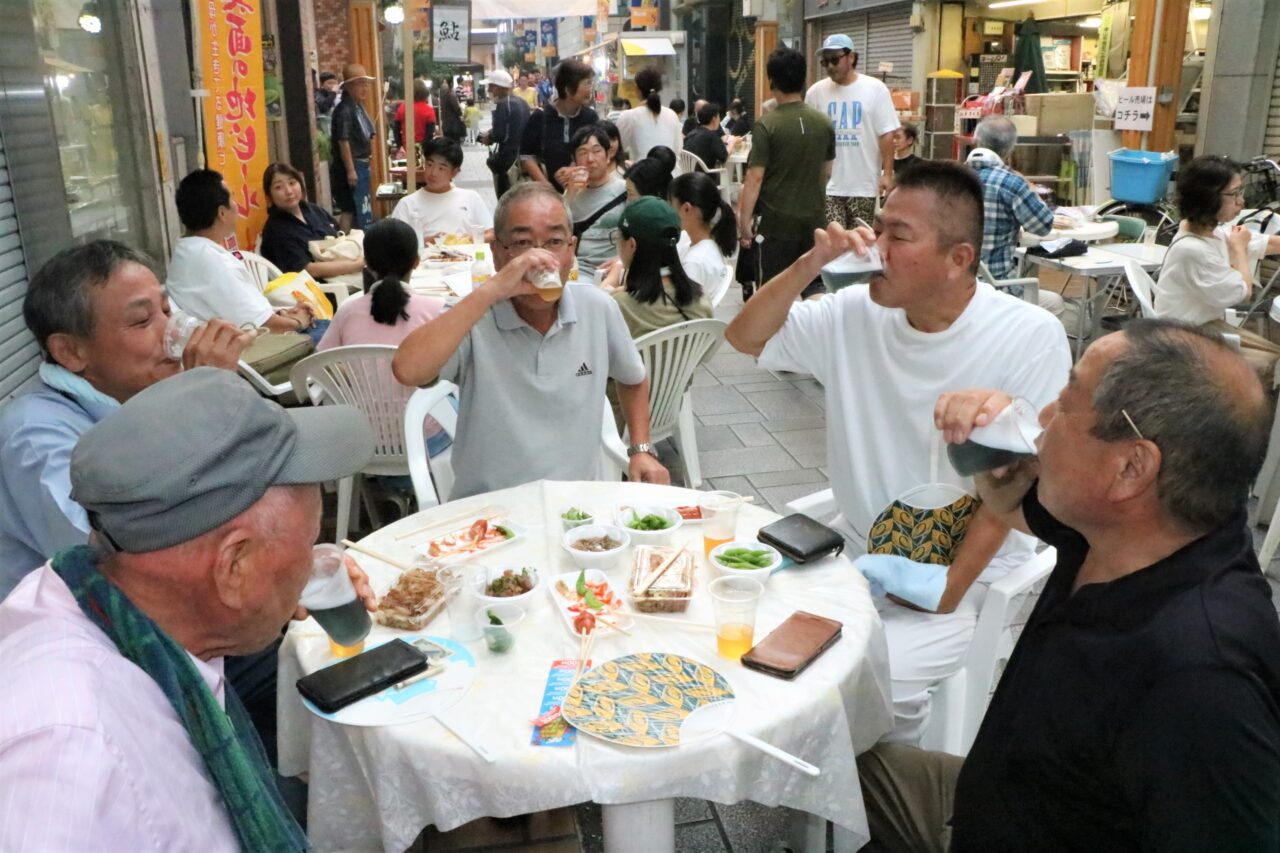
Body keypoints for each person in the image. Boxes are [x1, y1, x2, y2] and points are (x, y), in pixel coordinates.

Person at [859, 319, 1280, 852]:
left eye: (1066, 399)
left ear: (1131, 467)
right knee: (829, 761)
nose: (1043, 415)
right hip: (990, 800)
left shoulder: (1200, 675)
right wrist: (991, 439)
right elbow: (1009, 501)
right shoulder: (1140, 531)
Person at [725, 162, 1071, 743]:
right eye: (877, 227)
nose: (875, 246)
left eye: (898, 235)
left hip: (969, 579)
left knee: (881, 686)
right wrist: (810, 263)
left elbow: (1015, 490)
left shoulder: (1027, 334)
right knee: (754, 649)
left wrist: (947, 593)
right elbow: (744, 338)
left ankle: (887, 803)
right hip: (858, 557)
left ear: (958, 259)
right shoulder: (853, 312)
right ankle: (836, 804)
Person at [0, 366, 375, 850]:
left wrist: (279, 588)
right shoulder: (71, 757)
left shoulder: (106, 590)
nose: (314, 561)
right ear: (232, 569)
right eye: (309, 543)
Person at [0, 241, 253, 596]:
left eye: (167, 310)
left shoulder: (140, 400)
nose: (171, 332)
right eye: (142, 320)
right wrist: (197, 406)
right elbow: (116, 561)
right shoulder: (32, 434)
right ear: (71, 352)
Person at [391, 182, 670, 498]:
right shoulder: (472, 317)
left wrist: (641, 448)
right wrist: (493, 289)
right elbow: (407, 370)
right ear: (497, 252)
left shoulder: (597, 308)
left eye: (554, 241)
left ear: (571, 249)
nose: (539, 258)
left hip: (576, 508)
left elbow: (633, 378)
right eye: (523, 243)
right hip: (490, 512)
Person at [318, 219, 452, 458]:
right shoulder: (437, 311)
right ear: (417, 262)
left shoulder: (347, 311)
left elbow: (322, 364)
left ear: (367, 264)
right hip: (428, 441)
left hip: (367, 443)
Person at [1154, 154, 1280, 381]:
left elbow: (1264, 243)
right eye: (1234, 194)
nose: (1242, 202)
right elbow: (1243, 291)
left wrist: (1240, 246)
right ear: (1208, 198)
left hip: (1203, 325)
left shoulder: (1208, 229)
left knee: (1274, 357)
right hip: (1183, 338)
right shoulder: (1193, 250)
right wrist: (1239, 249)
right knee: (1271, 366)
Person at [166, 169, 316, 336]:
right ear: (222, 213)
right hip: (259, 349)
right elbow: (268, 327)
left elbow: (247, 313)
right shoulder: (217, 265)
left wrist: (283, 312)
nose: (236, 206)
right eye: (232, 198)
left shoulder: (186, 252)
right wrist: (299, 320)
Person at [738, 47, 836, 301]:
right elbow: (828, 170)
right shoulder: (824, 122)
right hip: (814, 220)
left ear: (772, 81)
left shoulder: (766, 125)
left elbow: (754, 178)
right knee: (814, 285)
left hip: (776, 225)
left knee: (775, 292)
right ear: (803, 80)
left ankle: (779, 341)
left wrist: (744, 221)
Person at [805, 34, 900, 230]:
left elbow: (886, 134)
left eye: (835, 59)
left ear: (851, 57)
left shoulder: (876, 89)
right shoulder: (815, 93)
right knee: (833, 243)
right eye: (825, 62)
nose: (830, 66)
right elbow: (809, 136)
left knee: (860, 245)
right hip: (828, 186)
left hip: (863, 184)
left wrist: (887, 174)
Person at [600, 196, 712, 336]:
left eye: (618, 236)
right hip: (692, 358)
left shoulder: (620, 305)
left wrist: (608, 286)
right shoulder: (701, 298)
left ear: (632, 245)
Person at [966, 116, 1053, 282]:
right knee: (1055, 303)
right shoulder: (1012, 183)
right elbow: (1043, 226)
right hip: (998, 287)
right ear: (1011, 148)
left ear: (976, 141)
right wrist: (1030, 188)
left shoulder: (951, 178)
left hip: (955, 286)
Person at [259, 162, 365, 282]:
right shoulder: (276, 230)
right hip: (318, 289)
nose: (288, 191)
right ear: (269, 196)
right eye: (278, 187)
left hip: (346, 273)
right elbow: (310, 270)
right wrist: (357, 265)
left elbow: (340, 238)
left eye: (292, 183)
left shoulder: (313, 210)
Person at [390, 137, 495, 247]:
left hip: (466, 261)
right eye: (430, 165)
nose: (433, 173)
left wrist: (465, 240)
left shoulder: (471, 198)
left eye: (441, 168)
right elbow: (395, 243)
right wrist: (425, 242)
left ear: (454, 172)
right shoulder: (407, 204)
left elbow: (491, 234)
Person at [520, 59, 599, 192]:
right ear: (568, 90)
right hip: (546, 193)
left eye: (591, 83)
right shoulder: (541, 116)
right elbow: (526, 156)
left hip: (583, 190)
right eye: (586, 84)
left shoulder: (591, 117)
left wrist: (575, 171)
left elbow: (598, 152)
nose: (590, 89)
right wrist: (546, 187)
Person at [564, 125, 628, 281]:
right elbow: (553, 228)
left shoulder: (625, 190)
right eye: (583, 152)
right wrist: (569, 193)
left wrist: (621, 262)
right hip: (577, 269)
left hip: (613, 270)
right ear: (575, 160)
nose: (590, 159)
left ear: (608, 156)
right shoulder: (571, 194)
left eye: (597, 151)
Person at [669, 171, 737, 297]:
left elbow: (684, 309)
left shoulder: (694, 262)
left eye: (671, 206)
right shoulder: (709, 244)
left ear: (686, 209)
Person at [330, 62, 377, 231]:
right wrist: (350, 169)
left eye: (365, 83)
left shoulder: (357, 107)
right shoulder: (344, 110)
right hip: (349, 167)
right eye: (359, 83)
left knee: (361, 209)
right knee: (349, 209)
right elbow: (343, 141)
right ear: (348, 86)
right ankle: (346, 242)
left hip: (361, 164)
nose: (364, 88)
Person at [478, 69, 530, 200]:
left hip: (507, 160)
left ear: (497, 88)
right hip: (522, 158)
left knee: (505, 199)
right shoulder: (522, 102)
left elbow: (500, 134)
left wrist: (488, 138)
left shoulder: (502, 104)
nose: (489, 90)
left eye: (490, 87)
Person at [616, 68, 683, 163]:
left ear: (636, 89)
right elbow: (678, 149)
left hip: (642, 175)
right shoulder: (672, 115)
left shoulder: (628, 116)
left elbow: (616, 149)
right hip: (673, 174)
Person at [394, 79, 437, 155]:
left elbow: (396, 130)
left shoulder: (402, 108)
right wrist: (420, 148)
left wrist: (400, 146)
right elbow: (429, 134)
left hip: (405, 150)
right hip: (423, 150)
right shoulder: (429, 110)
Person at [683, 101, 730, 170]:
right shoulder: (712, 136)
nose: (719, 119)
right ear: (714, 119)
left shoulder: (691, 133)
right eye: (719, 117)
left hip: (688, 176)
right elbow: (724, 157)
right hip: (705, 177)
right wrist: (733, 142)